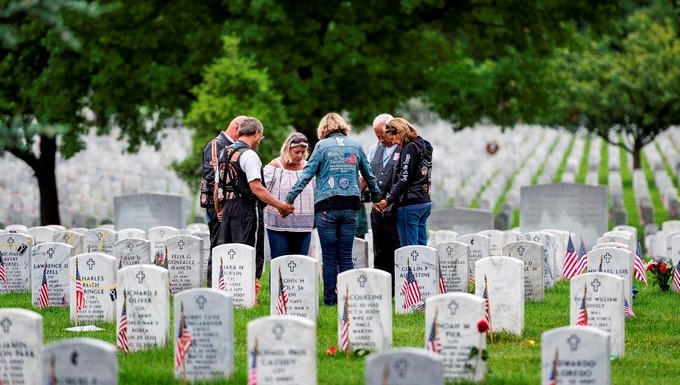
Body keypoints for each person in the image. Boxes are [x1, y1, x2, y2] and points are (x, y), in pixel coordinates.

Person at [286, 112, 382, 306]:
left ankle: (330, 299)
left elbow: (306, 175)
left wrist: (289, 200)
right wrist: (377, 198)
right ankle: (347, 297)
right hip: (350, 207)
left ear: (323, 129)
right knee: (345, 256)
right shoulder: (355, 145)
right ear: (343, 127)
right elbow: (369, 175)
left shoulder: (321, 147)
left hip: (327, 207)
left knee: (329, 257)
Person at [214, 117, 294, 287]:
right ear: (257, 133)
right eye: (261, 136)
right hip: (246, 209)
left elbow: (217, 186)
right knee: (251, 249)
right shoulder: (249, 155)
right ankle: (251, 291)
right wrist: (281, 206)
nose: (260, 140)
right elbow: (256, 188)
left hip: (228, 208)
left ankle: (233, 289)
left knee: (231, 250)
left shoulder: (224, 152)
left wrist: (219, 209)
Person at [200, 115, 247, 286]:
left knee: (233, 246)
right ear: (236, 128)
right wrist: (221, 207)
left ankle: (231, 285)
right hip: (218, 206)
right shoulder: (216, 145)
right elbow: (214, 177)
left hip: (233, 205)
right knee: (219, 245)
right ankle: (214, 285)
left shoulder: (235, 147)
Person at [375, 117, 433, 246]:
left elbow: (404, 178)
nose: (394, 143)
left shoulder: (410, 148)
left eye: (392, 138)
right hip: (424, 202)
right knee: (422, 249)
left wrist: (388, 200)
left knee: (409, 252)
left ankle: (411, 268)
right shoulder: (423, 145)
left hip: (410, 204)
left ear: (399, 132)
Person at [263, 132, 315, 259]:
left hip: (304, 225)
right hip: (279, 224)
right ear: (288, 149)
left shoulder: (308, 168)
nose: (300, 156)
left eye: (303, 152)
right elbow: (262, 191)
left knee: (300, 262)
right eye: (296, 152)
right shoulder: (274, 166)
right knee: (279, 260)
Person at [366, 113, 402, 292]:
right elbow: (367, 175)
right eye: (377, 136)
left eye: (383, 135)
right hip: (376, 208)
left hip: (396, 206)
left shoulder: (403, 148)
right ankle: (382, 289)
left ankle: (399, 288)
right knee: (379, 250)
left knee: (396, 247)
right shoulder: (374, 150)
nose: (381, 140)